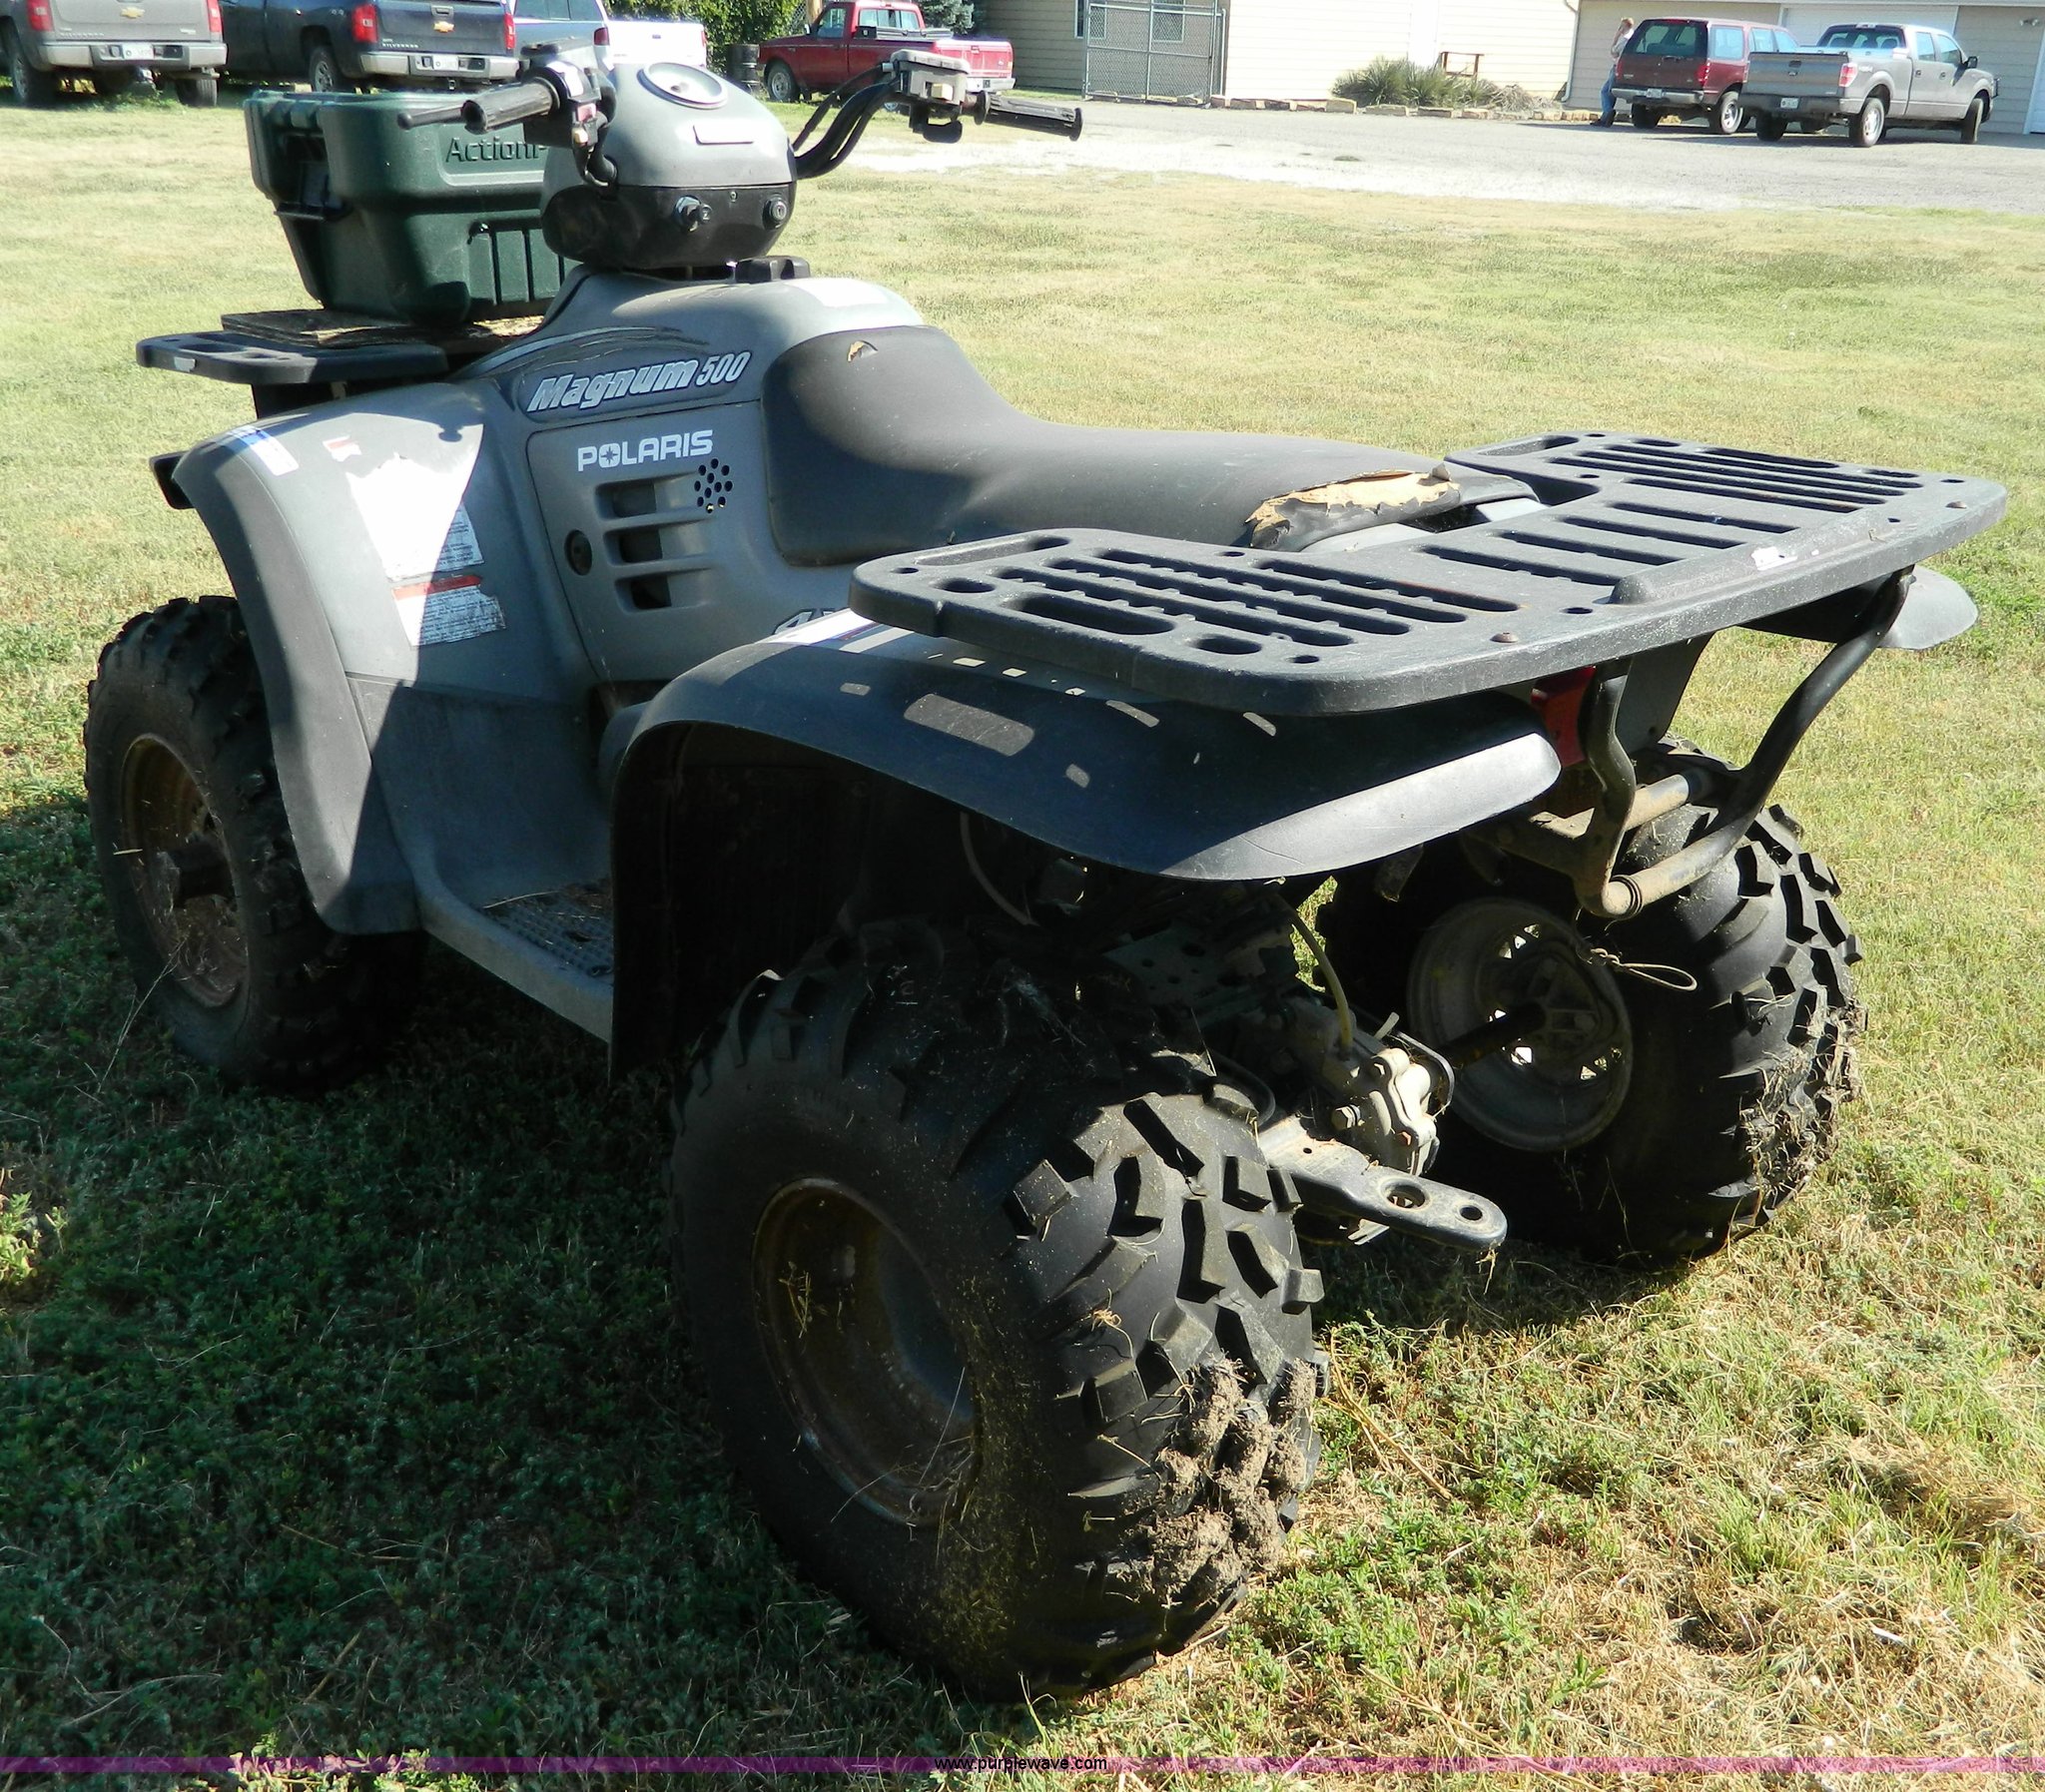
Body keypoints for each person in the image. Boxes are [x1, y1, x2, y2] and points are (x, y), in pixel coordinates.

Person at [1597, 17, 1636, 126]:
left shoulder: (1625, 39)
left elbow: (1613, 52)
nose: (1620, 28)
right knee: (1610, 91)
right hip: (1627, 68)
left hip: (1618, 67)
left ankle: (1608, 113)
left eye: (1621, 26)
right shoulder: (1634, 37)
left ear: (1624, 26)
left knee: (1606, 92)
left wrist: (1616, 36)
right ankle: (1606, 117)